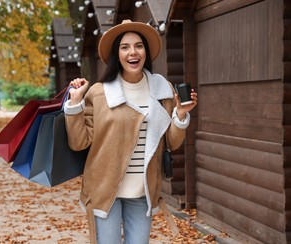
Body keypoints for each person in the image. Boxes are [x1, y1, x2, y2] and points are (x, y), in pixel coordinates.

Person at [63, 19, 197, 244]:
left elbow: (171, 143)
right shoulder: (99, 93)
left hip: (142, 192)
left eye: (138, 45)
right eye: (125, 47)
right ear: (117, 54)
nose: (132, 52)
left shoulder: (162, 89)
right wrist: (75, 103)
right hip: (105, 191)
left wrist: (181, 115)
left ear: (145, 51)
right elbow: (78, 142)